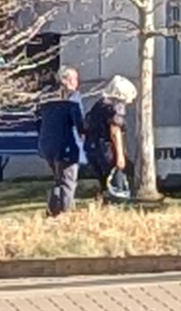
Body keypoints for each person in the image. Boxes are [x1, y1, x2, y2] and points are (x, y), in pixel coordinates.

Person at [33, 65, 85, 214]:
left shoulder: (46, 96)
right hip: (66, 145)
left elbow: (37, 120)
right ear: (67, 80)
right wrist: (84, 133)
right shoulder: (72, 97)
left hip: (47, 144)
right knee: (68, 181)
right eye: (75, 79)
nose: (77, 82)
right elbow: (79, 122)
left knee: (58, 179)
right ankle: (65, 214)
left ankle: (53, 211)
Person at [86, 75, 137, 207]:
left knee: (103, 182)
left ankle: (102, 206)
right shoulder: (116, 107)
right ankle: (115, 207)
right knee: (116, 182)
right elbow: (115, 131)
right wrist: (120, 156)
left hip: (92, 148)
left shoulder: (99, 105)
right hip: (107, 148)